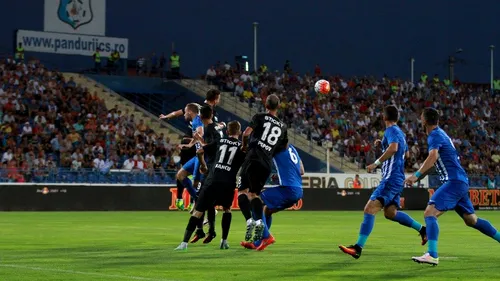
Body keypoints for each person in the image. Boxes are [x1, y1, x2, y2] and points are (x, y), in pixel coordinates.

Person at [405, 107, 500, 266]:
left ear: (425, 121)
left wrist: (416, 175)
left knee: (430, 213)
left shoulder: (434, 134)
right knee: (472, 220)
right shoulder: (441, 134)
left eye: (421, 118)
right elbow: (437, 162)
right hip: (459, 181)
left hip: (454, 181)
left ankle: (432, 254)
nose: (420, 120)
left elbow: (433, 156)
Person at [339, 105, 426, 259]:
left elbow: (393, 148)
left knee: (369, 209)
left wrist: (376, 163)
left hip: (390, 178)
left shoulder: (391, 130)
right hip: (397, 178)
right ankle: (422, 230)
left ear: (384, 117)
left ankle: (358, 247)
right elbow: (404, 153)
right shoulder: (400, 132)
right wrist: (383, 144)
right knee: (390, 213)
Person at [175, 120, 245, 251]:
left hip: (212, 179)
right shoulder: (242, 147)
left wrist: (203, 166)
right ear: (239, 132)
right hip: (228, 182)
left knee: (198, 211)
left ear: (227, 131)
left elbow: (200, 151)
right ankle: (224, 241)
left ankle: (184, 243)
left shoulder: (220, 141)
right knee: (227, 209)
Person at [238, 94, 287, 242]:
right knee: (255, 195)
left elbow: (246, 134)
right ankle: (259, 221)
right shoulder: (283, 126)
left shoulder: (259, 117)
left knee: (242, 191)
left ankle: (249, 220)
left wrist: (244, 146)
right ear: (278, 107)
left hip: (253, 157)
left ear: (266, 105)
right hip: (266, 163)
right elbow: (283, 147)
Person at [241, 144, 304, 251]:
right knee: (267, 211)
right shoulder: (293, 149)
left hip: (287, 188)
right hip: (298, 189)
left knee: (255, 200)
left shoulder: (276, 147)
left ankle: (266, 236)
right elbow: (302, 171)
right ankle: (257, 243)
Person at [189, 105, 222, 243]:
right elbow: (214, 146)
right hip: (217, 167)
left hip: (209, 168)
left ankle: (201, 231)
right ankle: (210, 231)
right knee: (209, 202)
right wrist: (201, 141)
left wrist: (201, 145)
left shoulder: (208, 129)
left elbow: (209, 149)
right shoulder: (216, 128)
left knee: (200, 199)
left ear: (201, 117)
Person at [160, 103, 202, 211]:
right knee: (183, 172)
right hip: (190, 145)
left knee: (193, 174)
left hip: (196, 146)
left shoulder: (200, 117)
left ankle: (193, 200)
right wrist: (166, 117)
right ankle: (181, 198)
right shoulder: (191, 110)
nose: (184, 115)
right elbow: (176, 113)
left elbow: (202, 133)